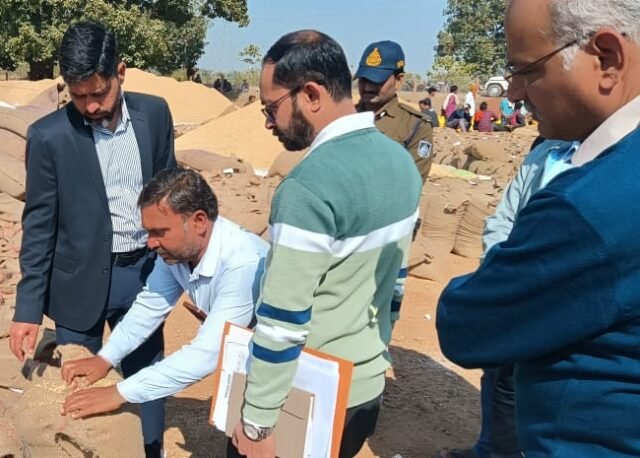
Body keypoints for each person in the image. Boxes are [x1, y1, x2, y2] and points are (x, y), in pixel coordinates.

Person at [436, 0, 640, 455]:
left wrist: (499, 276)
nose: (514, 92)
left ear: (607, 59)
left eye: (527, 71)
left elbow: (467, 325)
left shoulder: (592, 202)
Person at [230, 30, 421, 458]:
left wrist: (258, 421)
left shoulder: (307, 188)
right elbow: (395, 283)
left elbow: (283, 320)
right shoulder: (401, 164)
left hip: (305, 395)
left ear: (311, 94)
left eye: (271, 108)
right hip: (363, 388)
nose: (268, 122)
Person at [9, 21, 177, 457]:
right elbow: (39, 225)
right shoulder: (48, 136)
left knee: (146, 377)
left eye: (98, 93)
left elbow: (170, 195)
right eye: (78, 95)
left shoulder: (155, 116)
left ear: (121, 72)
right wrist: (28, 308)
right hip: (77, 283)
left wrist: (185, 269)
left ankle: (149, 449)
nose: (90, 105)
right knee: (79, 387)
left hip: (142, 275)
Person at [60, 168, 268, 421]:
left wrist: (119, 393)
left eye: (160, 232)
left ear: (199, 221)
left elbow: (207, 353)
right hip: (250, 358)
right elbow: (150, 305)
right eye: (148, 232)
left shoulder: (242, 264)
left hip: (287, 366)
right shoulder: (176, 252)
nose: (150, 243)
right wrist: (106, 358)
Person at [438, 138, 579, 458]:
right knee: (500, 377)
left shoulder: (614, 162)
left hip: (562, 299)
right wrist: (502, 274)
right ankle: (489, 448)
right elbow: (503, 219)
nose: (531, 113)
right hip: (515, 291)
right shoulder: (546, 151)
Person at [355, 40, 435, 181]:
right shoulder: (343, 118)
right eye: (364, 80)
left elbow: (411, 182)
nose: (367, 87)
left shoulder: (416, 126)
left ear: (398, 80)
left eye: (376, 81)